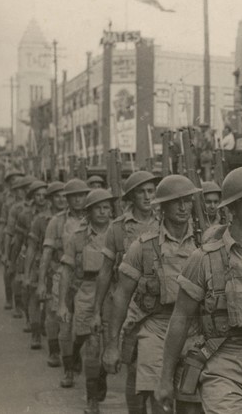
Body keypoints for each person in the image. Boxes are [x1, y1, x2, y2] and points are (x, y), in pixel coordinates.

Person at [156, 166, 242, 414]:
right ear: (231, 210)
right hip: (224, 364)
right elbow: (180, 320)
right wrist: (165, 378)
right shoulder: (205, 258)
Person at [103, 175, 202, 414]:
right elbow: (121, 296)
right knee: (159, 400)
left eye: (187, 200)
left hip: (195, 328)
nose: (182, 207)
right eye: (175, 202)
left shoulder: (204, 242)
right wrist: (112, 345)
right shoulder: (143, 246)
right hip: (156, 325)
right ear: (163, 207)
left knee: (193, 402)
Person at [92, 170, 159, 414]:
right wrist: (97, 312)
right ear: (131, 197)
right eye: (141, 192)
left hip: (161, 304)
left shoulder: (164, 222)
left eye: (151, 191)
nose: (147, 196)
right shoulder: (118, 228)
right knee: (135, 365)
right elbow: (105, 271)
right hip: (129, 305)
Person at [58, 189, 115, 414]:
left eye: (107, 207)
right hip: (86, 290)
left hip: (114, 291)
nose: (104, 211)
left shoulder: (118, 232)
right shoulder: (78, 236)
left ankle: (97, 381)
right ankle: (92, 397)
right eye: (99, 208)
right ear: (89, 211)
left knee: (110, 342)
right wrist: (63, 303)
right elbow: (66, 271)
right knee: (87, 339)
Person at [37, 178, 90, 384]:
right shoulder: (56, 222)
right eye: (73, 196)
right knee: (64, 324)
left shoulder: (95, 218)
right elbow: (46, 254)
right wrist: (42, 282)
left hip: (88, 280)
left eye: (81, 195)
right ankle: (68, 368)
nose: (78, 200)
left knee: (87, 328)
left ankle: (75, 351)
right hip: (64, 276)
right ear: (67, 199)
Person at [25, 181, 65, 352]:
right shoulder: (41, 220)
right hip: (45, 267)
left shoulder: (74, 219)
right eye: (57, 196)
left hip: (67, 269)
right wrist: (27, 273)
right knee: (45, 305)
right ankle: (39, 336)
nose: (62, 200)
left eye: (64, 196)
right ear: (51, 199)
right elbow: (32, 248)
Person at [10, 180, 49, 339]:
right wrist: (12, 261)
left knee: (49, 297)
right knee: (31, 293)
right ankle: (34, 330)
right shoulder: (24, 214)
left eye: (44, 195)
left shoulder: (52, 213)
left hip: (49, 258)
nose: (41, 198)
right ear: (32, 196)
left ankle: (42, 322)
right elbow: (18, 240)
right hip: (30, 256)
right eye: (37, 195)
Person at [4, 175, 36, 319]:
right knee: (20, 278)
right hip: (23, 246)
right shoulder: (17, 209)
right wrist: (7, 254)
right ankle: (19, 306)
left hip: (40, 247)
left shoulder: (47, 206)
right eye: (27, 188)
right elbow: (9, 232)